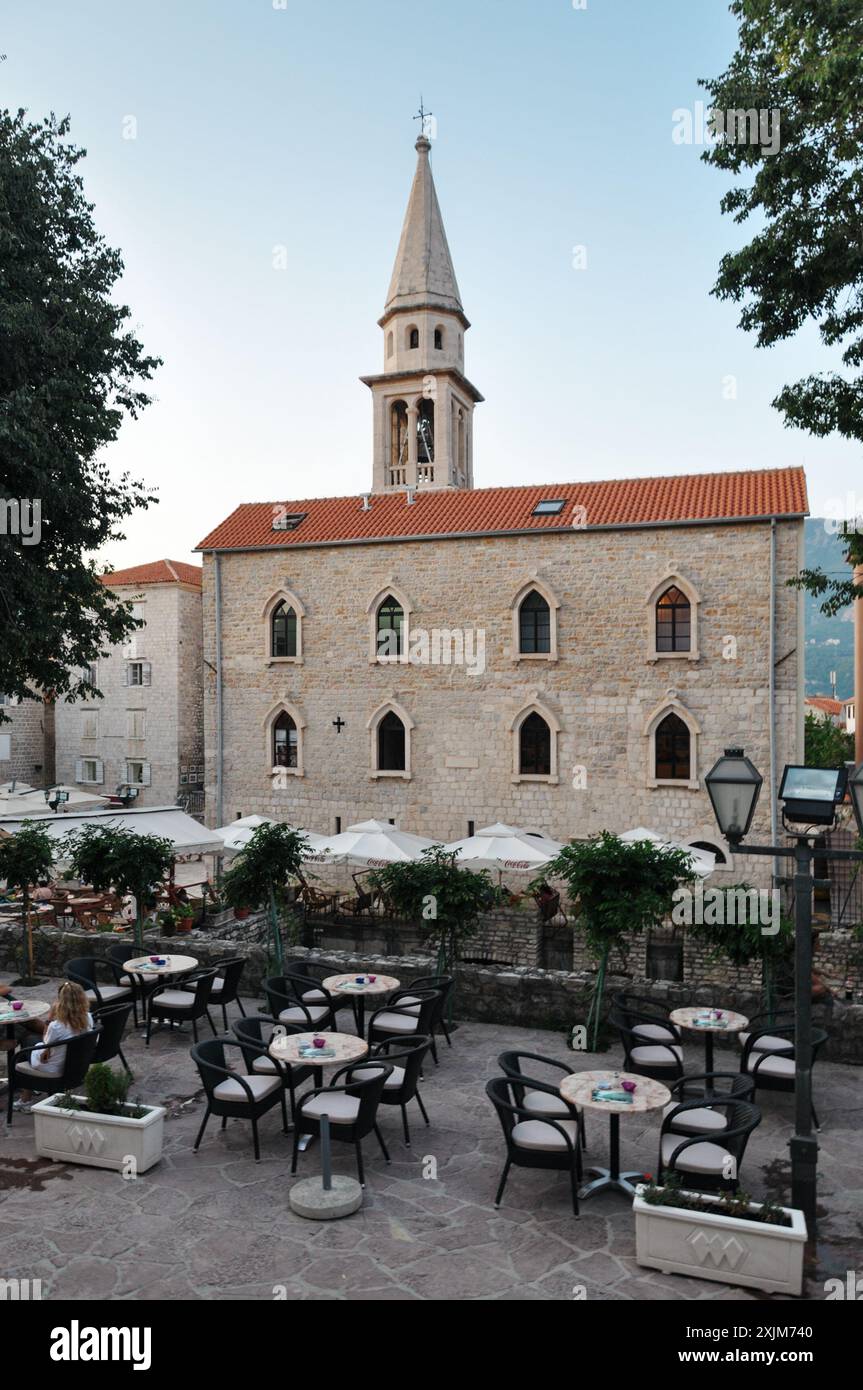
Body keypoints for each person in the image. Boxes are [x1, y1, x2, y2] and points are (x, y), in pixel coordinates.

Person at [14, 981, 94, 1110]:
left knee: (25, 1047)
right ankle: (30, 1090)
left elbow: (46, 1043)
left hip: (53, 1068)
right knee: (30, 1040)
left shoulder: (56, 1026)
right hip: (75, 1066)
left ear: (61, 1002)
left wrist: (50, 1018)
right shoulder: (88, 1018)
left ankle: (26, 1097)